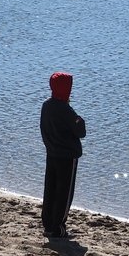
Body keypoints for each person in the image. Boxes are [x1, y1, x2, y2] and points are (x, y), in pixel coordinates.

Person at [40, 71, 86, 240]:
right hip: (67, 157)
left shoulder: (47, 106)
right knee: (64, 193)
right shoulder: (66, 110)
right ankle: (58, 227)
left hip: (51, 153)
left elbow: (44, 128)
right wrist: (79, 120)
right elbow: (81, 131)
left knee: (50, 189)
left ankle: (48, 224)